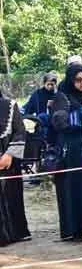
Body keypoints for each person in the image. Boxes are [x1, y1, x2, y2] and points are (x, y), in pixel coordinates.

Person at [51, 63, 82, 241]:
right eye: (78, 80)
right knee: (74, 189)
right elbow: (59, 122)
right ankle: (76, 229)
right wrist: (81, 111)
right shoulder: (62, 97)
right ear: (71, 81)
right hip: (71, 151)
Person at [0, 88, 30, 246]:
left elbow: (20, 131)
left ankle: (16, 232)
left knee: (11, 195)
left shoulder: (10, 105)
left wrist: (9, 154)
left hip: (8, 161)